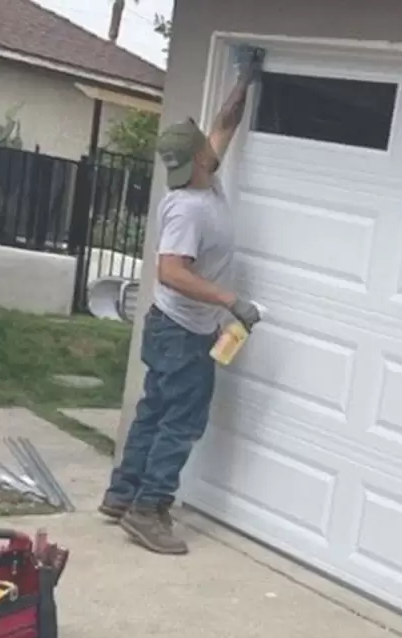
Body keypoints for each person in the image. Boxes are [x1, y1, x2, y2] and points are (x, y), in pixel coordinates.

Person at [101, 55, 264, 555]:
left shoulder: (203, 177)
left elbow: (221, 127)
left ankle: (121, 495)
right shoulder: (189, 208)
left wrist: (244, 80)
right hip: (181, 331)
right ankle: (149, 511)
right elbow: (170, 271)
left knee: (155, 410)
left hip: (173, 329)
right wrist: (229, 300)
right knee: (180, 422)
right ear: (195, 160)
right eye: (204, 150)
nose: (211, 149)